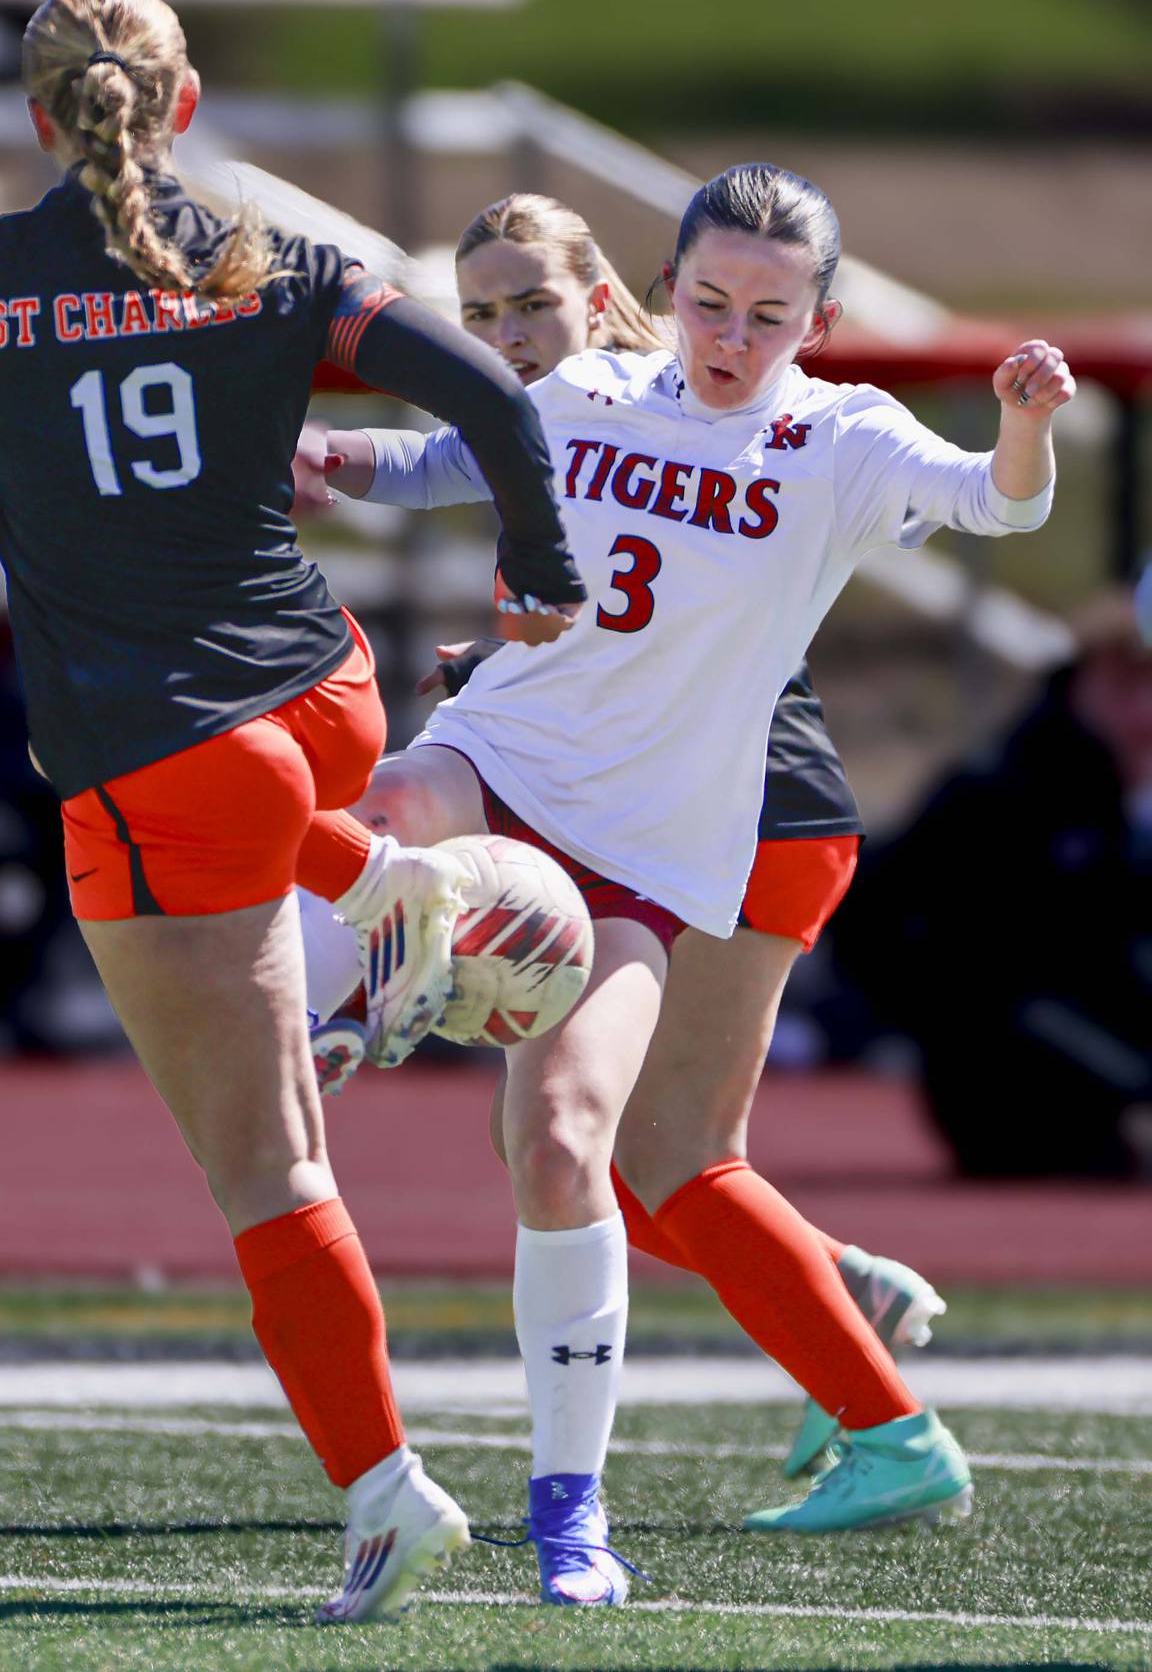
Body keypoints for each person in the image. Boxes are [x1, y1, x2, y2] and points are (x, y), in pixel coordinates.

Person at [0, 0, 586, 1624]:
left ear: (37, 117)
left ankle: (384, 1489)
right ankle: (375, 888)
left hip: (170, 756)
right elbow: (497, 401)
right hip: (326, 694)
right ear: (185, 101)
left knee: (268, 1166)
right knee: (282, 993)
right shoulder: (265, 255)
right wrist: (544, 574)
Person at [293, 168, 1073, 1591]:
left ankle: (568, 1513)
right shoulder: (589, 390)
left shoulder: (842, 438)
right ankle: (329, 1014)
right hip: (505, 754)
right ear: (663, 292)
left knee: (567, 1145)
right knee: (388, 798)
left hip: (653, 848)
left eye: (769, 315)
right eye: (708, 301)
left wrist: (1023, 428)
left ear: (820, 321)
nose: (730, 335)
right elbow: (441, 458)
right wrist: (331, 456)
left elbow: (1001, 508)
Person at [833, 586, 1151, 1178]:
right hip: (1012, 1101)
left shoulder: (1132, 799)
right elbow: (863, 913)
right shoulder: (996, 793)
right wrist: (946, 1022)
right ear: (1080, 679)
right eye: (1124, 682)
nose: (1144, 708)